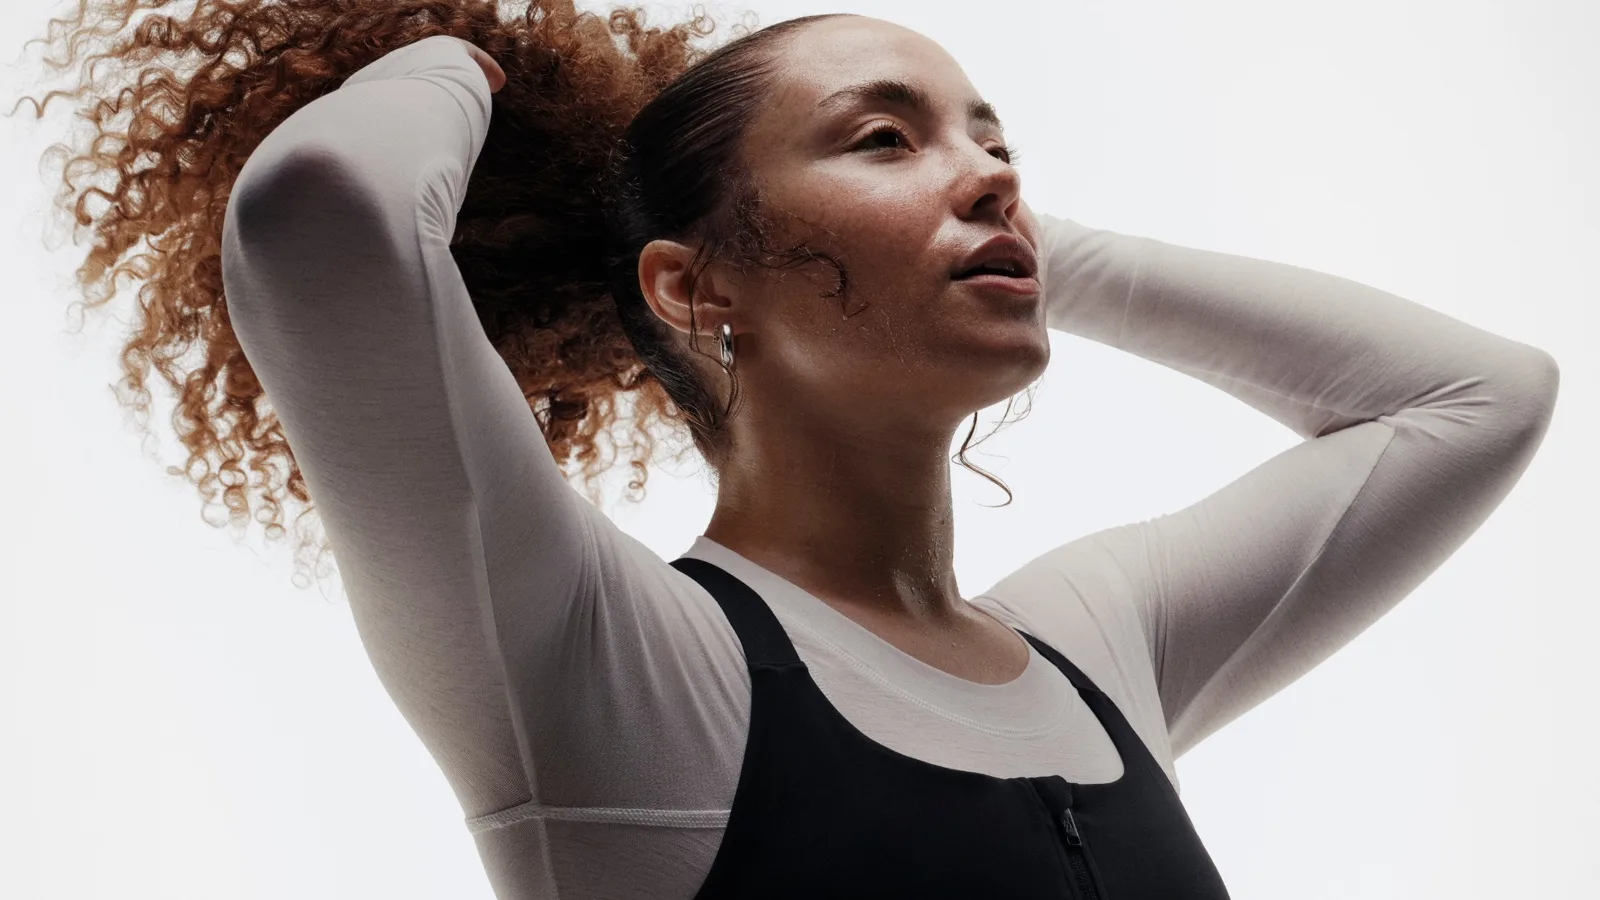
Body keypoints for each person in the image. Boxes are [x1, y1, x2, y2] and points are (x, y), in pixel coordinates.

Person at [25, 2, 1560, 897]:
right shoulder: (613, 666)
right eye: (882, 137)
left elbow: (1478, 396)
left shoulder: (1099, 647)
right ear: (694, 286)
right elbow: (328, 222)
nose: (985, 177)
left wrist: (1006, 237)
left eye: (997, 142)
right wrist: (461, 61)